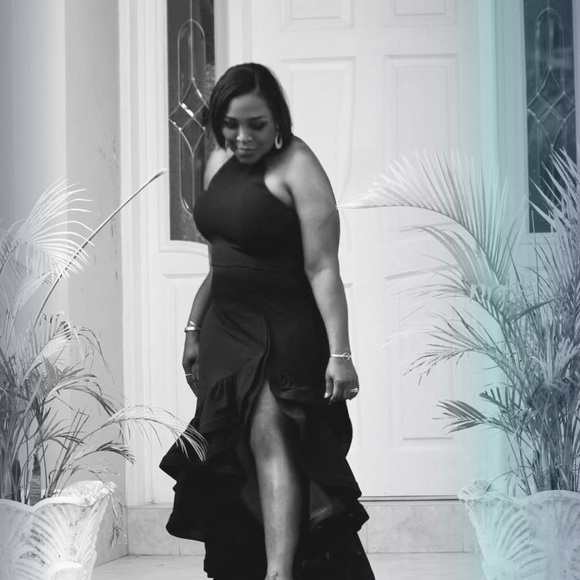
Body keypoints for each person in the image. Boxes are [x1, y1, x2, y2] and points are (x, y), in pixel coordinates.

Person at [160, 62, 374, 580]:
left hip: (285, 326)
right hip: (226, 328)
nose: (242, 137)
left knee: (267, 429)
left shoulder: (298, 165)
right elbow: (221, 260)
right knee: (234, 449)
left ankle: (279, 573)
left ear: (277, 118)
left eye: (256, 125)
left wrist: (340, 354)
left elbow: (323, 268)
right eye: (231, 125)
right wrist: (193, 327)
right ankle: (249, 563)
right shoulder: (218, 161)